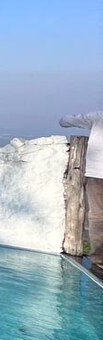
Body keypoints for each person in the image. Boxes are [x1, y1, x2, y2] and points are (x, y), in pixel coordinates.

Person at [60, 111, 103, 274]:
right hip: (97, 174)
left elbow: (65, 120)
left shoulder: (98, 117)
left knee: (97, 217)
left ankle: (100, 261)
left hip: (97, 174)